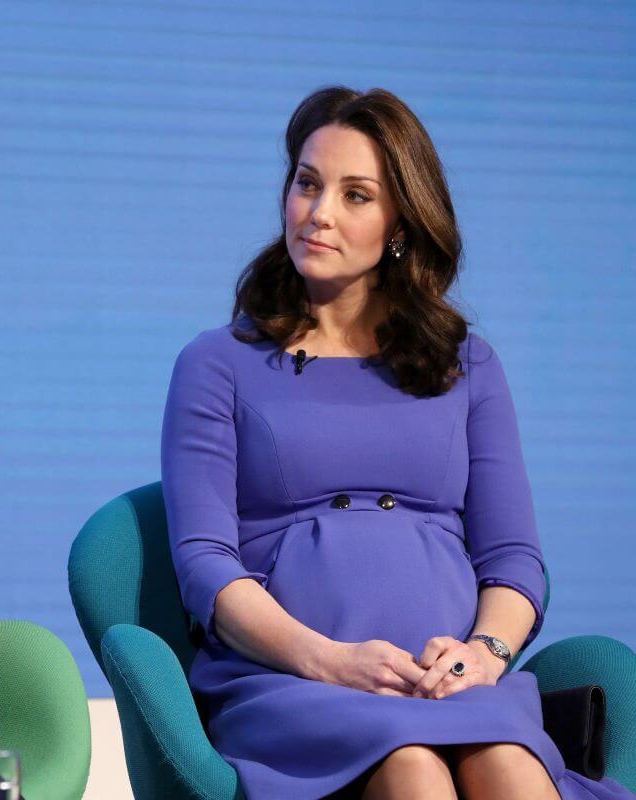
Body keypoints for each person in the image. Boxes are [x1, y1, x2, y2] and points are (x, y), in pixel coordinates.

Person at [160, 86, 634, 800]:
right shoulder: (217, 364)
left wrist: (484, 654)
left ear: (400, 225)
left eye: (356, 196)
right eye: (307, 184)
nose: (318, 213)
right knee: (411, 769)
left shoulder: (467, 366)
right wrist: (328, 661)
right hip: (294, 683)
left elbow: (513, 560)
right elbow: (204, 564)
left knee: (508, 768)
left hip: (449, 684)